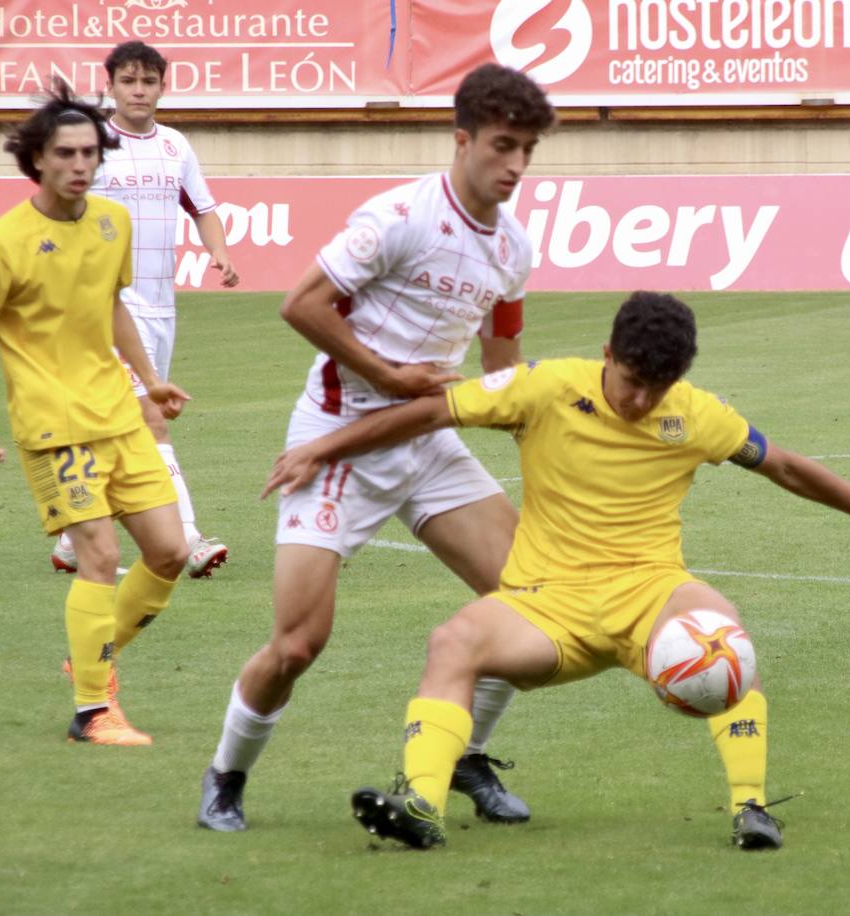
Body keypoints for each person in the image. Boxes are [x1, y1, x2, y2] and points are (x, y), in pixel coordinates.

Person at [265, 292, 850, 850]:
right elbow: (430, 411)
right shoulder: (544, 388)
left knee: (722, 632)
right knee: (453, 642)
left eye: (659, 388)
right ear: (607, 355)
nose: (640, 402)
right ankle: (422, 806)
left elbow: (783, 466)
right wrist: (324, 449)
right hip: (545, 605)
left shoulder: (696, 415)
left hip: (650, 594)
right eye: (632, 383)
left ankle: (752, 809)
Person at [196, 63, 557, 833]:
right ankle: (226, 776)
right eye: (502, 145)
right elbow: (301, 305)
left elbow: (502, 361)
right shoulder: (397, 217)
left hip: (428, 444)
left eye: (528, 149)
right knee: (298, 644)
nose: (517, 165)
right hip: (334, 441)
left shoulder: (514, 248)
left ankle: (465, 755)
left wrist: (533, 426)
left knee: (535, 601)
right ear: (461, 140)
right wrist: (391, 376)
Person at [0, 81, 193, 746]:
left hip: (118, 414)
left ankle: (91, 655)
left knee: (171, 552)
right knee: (100, 556)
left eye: (90, 152)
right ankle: (93, 709)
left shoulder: (114, 222)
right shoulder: (1, 243)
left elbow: (111, 307)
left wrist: (150, 382)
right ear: (38, 160)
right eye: (67, 153)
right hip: (54, 427)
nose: (82, 164)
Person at [50, 40, 239, 579]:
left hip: (160, 305)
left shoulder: (176, 145)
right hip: (106, 307)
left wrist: (219, 252)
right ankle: (189, 537)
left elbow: (203, 208)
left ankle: (71, 535)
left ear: (162, 86)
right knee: (150, 419)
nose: (139, 91)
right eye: (129, 81)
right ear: (109, 84)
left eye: (149, 82)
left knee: (117, 421)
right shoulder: (93, 145)